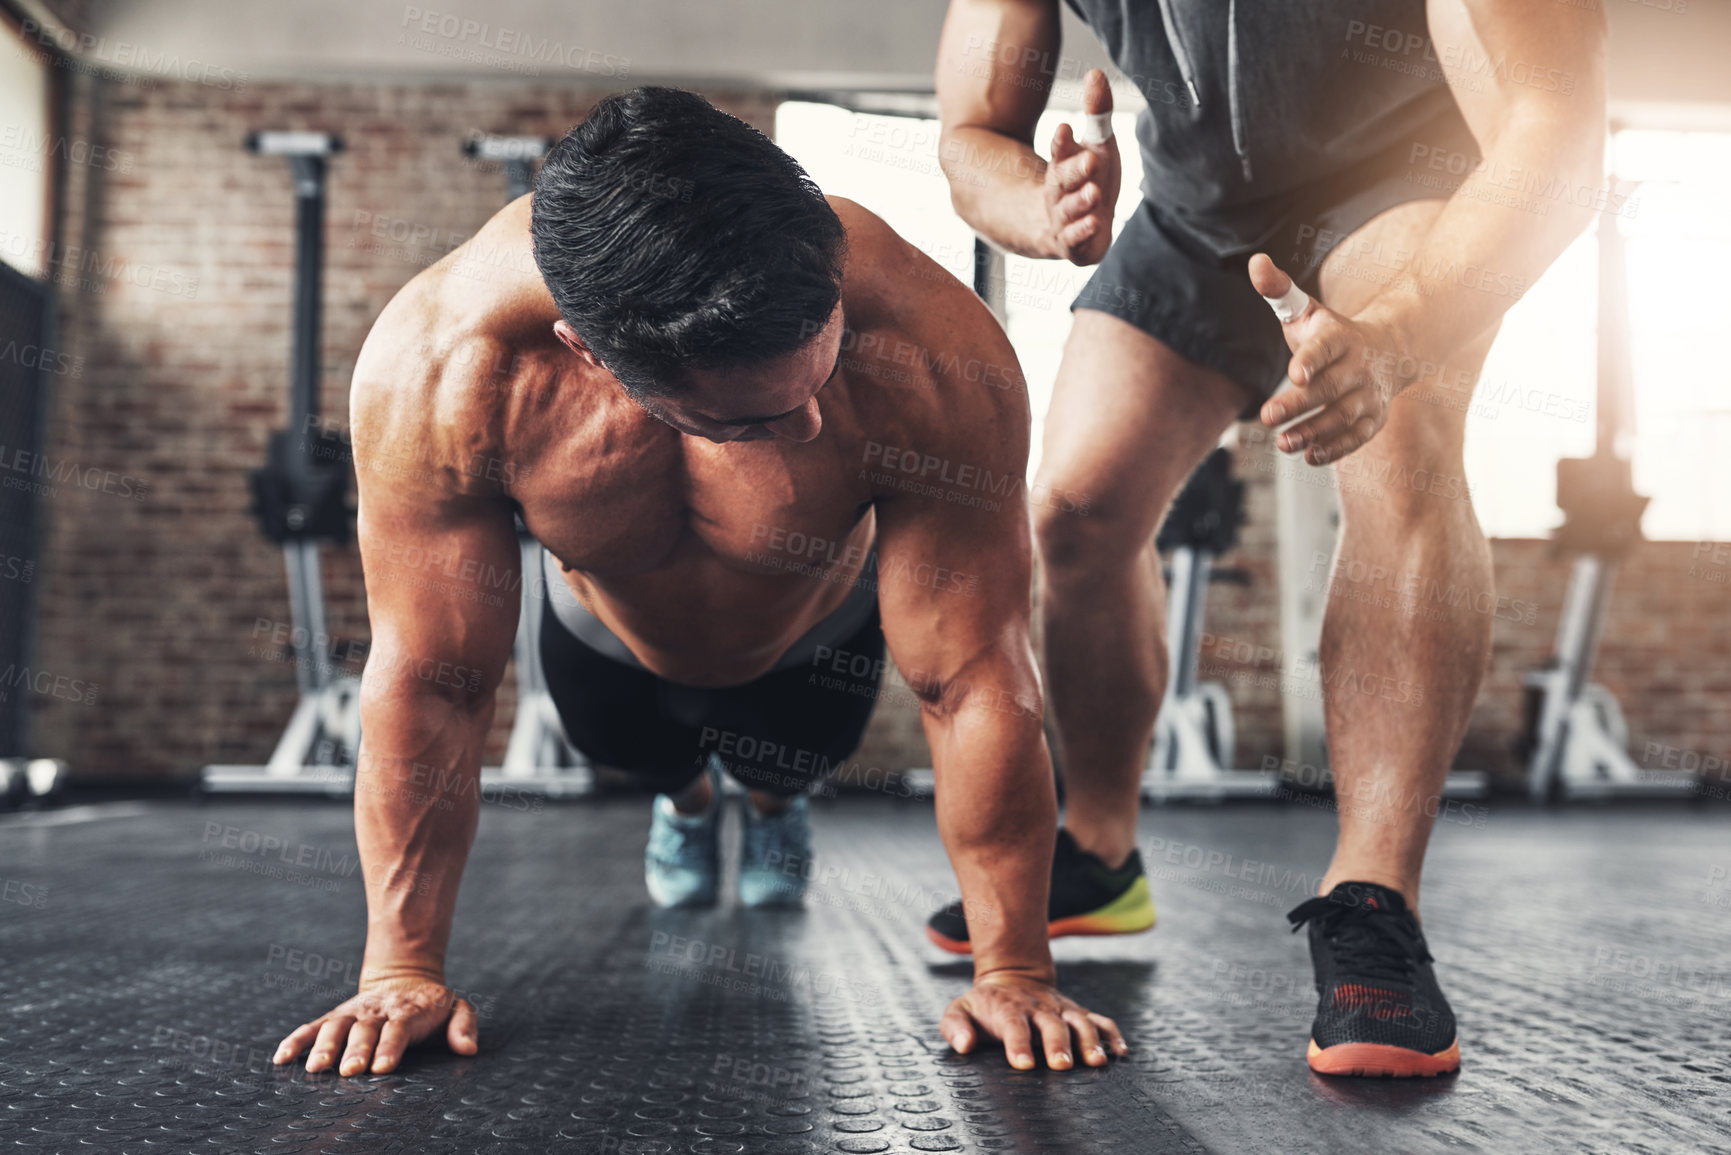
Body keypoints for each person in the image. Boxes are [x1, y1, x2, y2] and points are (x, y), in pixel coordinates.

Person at [271, 86, 1126, 1079]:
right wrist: (398, 969)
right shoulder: (442, 371)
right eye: (750, 421)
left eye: (820, 374)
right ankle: (685, 807)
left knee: (783, 766)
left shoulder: (937, 352)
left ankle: (768, 808)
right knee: (641, 753)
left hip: (814, 637)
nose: (807, 431)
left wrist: (1015, 966)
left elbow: (972, 674)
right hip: (605, 641)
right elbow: (433, 679)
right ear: (590, 355)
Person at [932, 0, 1606, 1076]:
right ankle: (1101, 852)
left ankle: (1374, 897)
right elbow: (972, 134)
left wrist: (1399, 335)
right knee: (1073, 508)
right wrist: (1044, 206)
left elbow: (1553, 141)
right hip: (1193, 219)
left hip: (1400, 186)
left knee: (1402, 444)